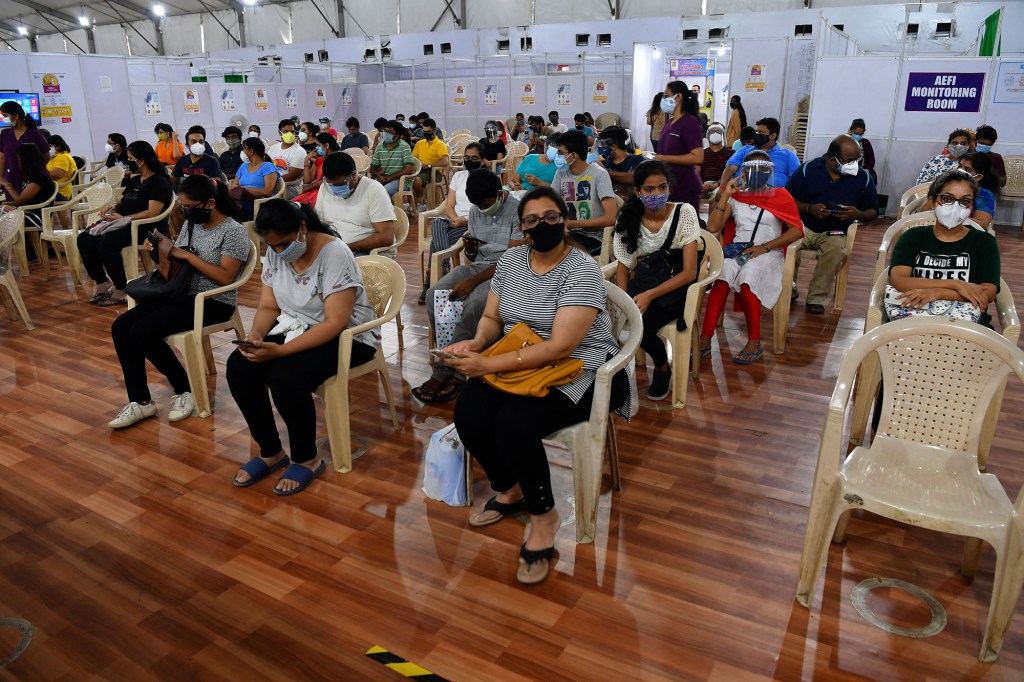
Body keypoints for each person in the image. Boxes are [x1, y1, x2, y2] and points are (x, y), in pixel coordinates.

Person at [445, 186, 631, 585]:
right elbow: (493, 319)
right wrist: (476, 343)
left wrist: (487, 363)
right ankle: (510, 490)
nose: (542, 225)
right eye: (532, 220)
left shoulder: (579, 268)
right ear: (522, 226)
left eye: (551, 217)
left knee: (514, 424)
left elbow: (562, 345)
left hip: (584, 370)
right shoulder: (512, 261)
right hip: (520, 358)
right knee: (470, 413)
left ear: (564, 220)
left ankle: (544, 515)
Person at [227, 200, 379, 496]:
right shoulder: (274, 251)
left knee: (286, 378)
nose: (279, 252)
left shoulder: (334, 253)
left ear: (302, 229)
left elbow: (335, 322)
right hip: (296, 326)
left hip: (349, 337)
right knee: (240, 366)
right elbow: (269, 305)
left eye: (284, 244)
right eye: (272, 246)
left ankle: (307, 458)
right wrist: (257, 333)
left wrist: (281, 351)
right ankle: (271, 451)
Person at [107, 174, 250, 429]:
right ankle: (140, 401)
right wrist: (157, 251)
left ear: (210, 203)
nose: (184, 212)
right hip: (181, 293)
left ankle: (186, 390)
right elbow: (175, 263)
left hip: (214, 301)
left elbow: (226, 277)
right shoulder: (191, 224)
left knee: (142, 332)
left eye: (189, 207)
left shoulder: (233, 231)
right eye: (182, 206)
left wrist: (185, 255)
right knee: (121, 328)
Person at [414, 170, 523, 404]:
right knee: (435, 294)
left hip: (507, 271)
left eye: (486, 204)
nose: (482, 209)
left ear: (498, 193)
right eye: (478, 205)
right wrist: (471, 248)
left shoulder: (518, 211)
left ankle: (449, 371)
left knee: (473, 303)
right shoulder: (475, 210)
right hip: (481, 266)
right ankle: (453, 360)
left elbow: (513, 259)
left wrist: (473, 281)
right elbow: (474, 258)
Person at [699, 152, 804, 364]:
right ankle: (705, 338)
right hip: (737, 249)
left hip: (768, 251)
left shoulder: (781, 196)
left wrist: (765, 247)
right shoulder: (736, 197)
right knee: (722, 274)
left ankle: (754, 341)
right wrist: (726, 194)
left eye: (763, 171)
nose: (757, 174)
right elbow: (713, 227)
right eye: (752, 170)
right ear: (744, 172)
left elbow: (796, 231)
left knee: (748, 277)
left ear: (769, 173)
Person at [612, 161, 701, 398]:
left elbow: (690, 272)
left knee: (643, 327)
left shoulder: (684, 213)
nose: (657, 194)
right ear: (638, 192)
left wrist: (650, 296)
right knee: (618, 317)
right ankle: (609, 372)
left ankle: (662, 366)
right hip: (644, 283)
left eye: (662, 187)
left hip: (677, 287)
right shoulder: (629, 217)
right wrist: (625, 300)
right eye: (649, 190)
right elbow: (623, 265)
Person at [786, 134, 879, 314]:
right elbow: (788, 199)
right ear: (831, 158)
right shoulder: (808, 169)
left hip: (835, 231)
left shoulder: (862, 177)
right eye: (849, 160)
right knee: (788, 247)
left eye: (857, 160)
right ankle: (790, 289)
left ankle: (815, 297)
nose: (854, 165)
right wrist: (808, 208)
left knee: (836, 249)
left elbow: (873, 211)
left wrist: (857, 214)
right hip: (804, 225)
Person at [889, 170, 998, 322]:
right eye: (947, 199)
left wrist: (937, 292)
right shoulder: (913, 237)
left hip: (967, 327)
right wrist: (956, 284)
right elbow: (899, 280)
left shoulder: (984, 241)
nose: (955, 207)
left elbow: (987, 292)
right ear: (933, 201)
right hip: (913, 321)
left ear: (971, 206)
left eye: (965, 201)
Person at [77, 141, 174, 306]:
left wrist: (123, 219)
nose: (127, 161)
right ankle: (102, 281)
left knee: (107, 243)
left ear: (141, 160)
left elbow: (153, 213)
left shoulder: (158, 182)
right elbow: (124, 201)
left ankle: (121, 288)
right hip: (125, 223)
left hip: (146, 227)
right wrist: (112, 207)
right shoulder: (136, 180)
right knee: (85, 239)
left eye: (130, 158)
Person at [420, 142, 487, 299]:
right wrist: (456, 219)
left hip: (473, 224)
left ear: (482, 160)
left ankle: (431, 281)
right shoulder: (459, 176)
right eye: (467, 157)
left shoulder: (487, 180)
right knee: (437, 222)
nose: (469, 160)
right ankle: (442, 270)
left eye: (474, 158)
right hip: (453, 221)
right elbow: (449, 206)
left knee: (435, 242)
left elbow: (486, 211)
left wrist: (465, 221)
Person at [314, 152, 395, 256]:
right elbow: (320, 223)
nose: (334, 189)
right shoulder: (325, 188)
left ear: (353, 175)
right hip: (335, 248)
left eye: (339, 184)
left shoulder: (374, 190)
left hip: (367, 252)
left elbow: (386, 237)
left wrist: (346, 248)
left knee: (334, 269)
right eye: (330, 184)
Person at [552, 129, 618, 254]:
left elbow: (611, 218)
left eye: (560, 153)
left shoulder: (599, 174)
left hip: (593, 237)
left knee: (560, 255)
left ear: (574, 156)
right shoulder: (561, 172)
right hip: (567, 232)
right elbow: (550, 201)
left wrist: (572, 224)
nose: (557, 157)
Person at [654, 81, 704, 215]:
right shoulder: (670, 122)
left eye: (666, 95)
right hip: (668, 184)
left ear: (678, 97)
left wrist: (664, 158)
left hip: (684, 185)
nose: (663, 99)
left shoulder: (689, 122)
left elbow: (698, 157)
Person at [921, 153, 998, 231]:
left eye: (967, 169)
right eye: (960, 166)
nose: (961, 170)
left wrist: (953, 219)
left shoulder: (985, 195)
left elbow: (981, 223)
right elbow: (923, 212)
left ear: (978, 177)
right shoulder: (943, 185)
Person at [720, 117, 800, 190]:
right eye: (756, 132)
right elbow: (730, 168)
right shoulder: (745, 150)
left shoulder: (788, 155)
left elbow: (796, 179)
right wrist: (722, 188)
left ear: (772, 136)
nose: (756, 135)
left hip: (774, 197)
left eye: (761, 132)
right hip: (741, 192)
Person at [0, 100, 49, 199]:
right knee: (13, 211)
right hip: (11, 180)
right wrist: (1, 179)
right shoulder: (5, 134)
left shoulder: (35, 134)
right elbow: (2, 157)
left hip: (31, 181)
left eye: (5, 116)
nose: (3, 119)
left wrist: (34, 173)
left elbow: (46, 157)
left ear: (16, 116)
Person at [1, 145, 57, 230]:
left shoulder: (39, 177)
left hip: (34, 217)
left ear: (26, 160)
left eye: (19, 158)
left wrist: (7, 185)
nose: (18, 161)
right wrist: (4, 205)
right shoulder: (34, 175)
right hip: (27, 211)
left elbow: (20, 199)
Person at [229, 138, 279, 221]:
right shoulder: (243, 166)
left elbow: (268, 192)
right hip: (241, 199)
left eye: (244, 149)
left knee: (235, 208)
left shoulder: (268, 167)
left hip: (259, 203)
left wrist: (245, 189)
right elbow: (234, 185)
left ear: (251, 152)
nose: (243, 152)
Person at [369, 120, 415, 197]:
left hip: (402, 181)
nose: (386, 133)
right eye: (385, 130)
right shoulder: (380, 147)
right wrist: (378, 175)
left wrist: (390, 177)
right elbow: (372, 168)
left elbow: (409, 169)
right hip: (384, 178)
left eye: (389, 131)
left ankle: (386, 209)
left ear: (397, 135)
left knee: (383, 192)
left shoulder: (404, 146)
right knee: (369, 191)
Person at [597, 126, 644, 198]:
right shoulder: (605, 163)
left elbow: (633, 178)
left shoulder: (636, 160)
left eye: (603, 145)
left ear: (613, 147)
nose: (601, 149)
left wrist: (606, 171)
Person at [412, 118, 449, 204]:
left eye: (428, 132)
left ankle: (420, 201)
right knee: (405, 180)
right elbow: (412, 158)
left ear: (435, 130)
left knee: (415, 181)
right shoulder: (419, 143)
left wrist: (428, 165)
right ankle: (419, 200)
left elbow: (445, 162)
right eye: (424, 132)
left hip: (434, 172)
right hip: (420, 170)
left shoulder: (440, 144)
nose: (426, 134)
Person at [267, 119, 306, 199]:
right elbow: (266, 167)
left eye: (292, 132)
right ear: (279, 132)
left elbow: (291, 176)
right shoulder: (273, 148)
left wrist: (270, 182)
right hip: (272, 184)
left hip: (289, 187)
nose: (289, 134)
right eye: (285, 131)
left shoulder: (299, 151)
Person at [299, 132, 341, 197]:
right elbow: (307, 180)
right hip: (317, 192)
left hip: (331, 193)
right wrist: (306, 159)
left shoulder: (339, 159)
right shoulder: (320, 160)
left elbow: (328, 181)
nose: (316, 148)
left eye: (318, 145)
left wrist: (311, 187)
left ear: (326, 145)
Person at [700, 122, 733, 198]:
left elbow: (730, 172)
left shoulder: (731, 153)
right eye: (712, 131)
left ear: (722, 134)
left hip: (721, 185)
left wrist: (717, 184)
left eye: (718, 131)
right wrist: (701, 185)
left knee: (717, 196)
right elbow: (696, 171)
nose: (715, 133)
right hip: (703, 184)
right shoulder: (701, 153)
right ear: (708, 134)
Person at [46, 134, 76, 201]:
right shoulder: (55, 157)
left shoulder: (63, 157)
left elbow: (57, 175)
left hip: (60, 191)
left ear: (58, 146)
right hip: (54, 189)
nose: (48, 149)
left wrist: (41, 175)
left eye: (50, 146)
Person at [848, 118, 877, 187]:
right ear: (851, 130)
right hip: (847, 172)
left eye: (861, 134)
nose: (858, 136)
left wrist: (866, 170)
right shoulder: (844, 142)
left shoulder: (865, 143)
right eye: (856, 133)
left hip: (862, 171)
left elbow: (871, 160)